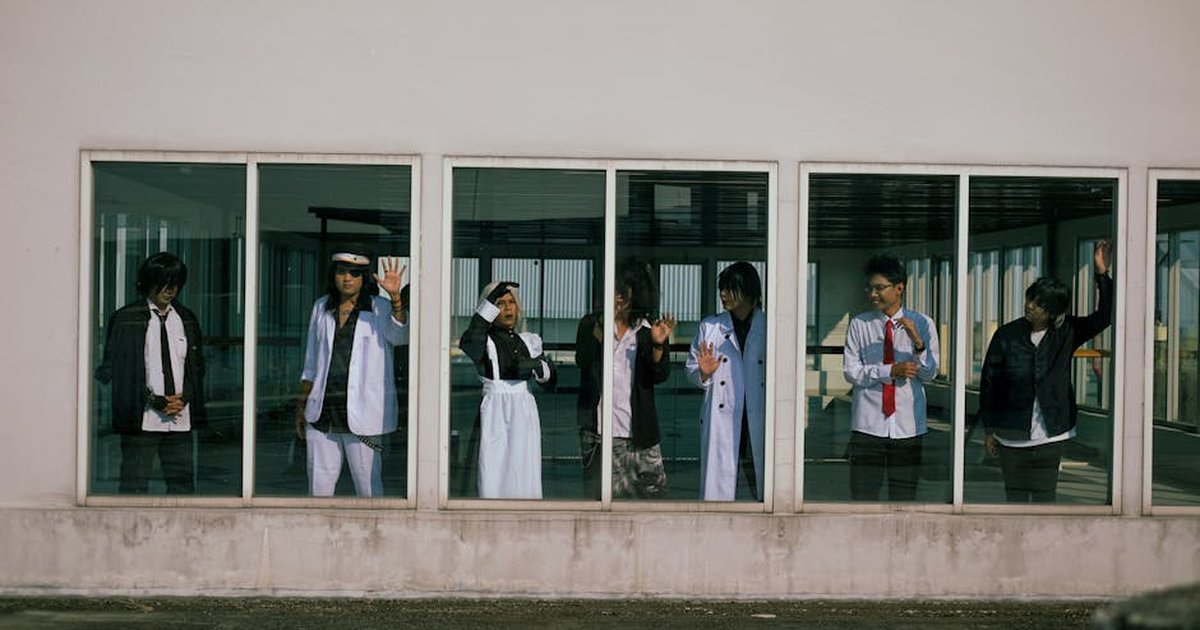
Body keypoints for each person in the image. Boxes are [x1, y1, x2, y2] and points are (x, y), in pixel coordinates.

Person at [981, 240, 1113, 503]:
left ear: (1054, 312)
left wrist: (1102, 273)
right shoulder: (1007, 334)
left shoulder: (1067, 331)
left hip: (1052, 434)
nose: (1030, 306)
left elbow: (1106, 315)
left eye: (1039, 304)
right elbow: (990, 383)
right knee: (1015, 501)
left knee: (1045, 501)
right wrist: (989, 429)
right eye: (1030, 298)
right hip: (1011, 435)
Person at [294, 252, 408, 497]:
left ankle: (372, 524)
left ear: (363, 278)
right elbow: (311, 362)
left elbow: (400, 337)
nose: (347, 278)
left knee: (368, 486)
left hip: (363, 415)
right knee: (319, 487)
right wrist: (301, 405)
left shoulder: (380, 308)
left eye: (355, 273)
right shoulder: (321, 307)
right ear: (333, 275)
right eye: (341, 272)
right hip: (323, 411)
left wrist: (396, 298)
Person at [95, 252, 206, 494]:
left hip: (179, 419)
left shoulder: (186, 319)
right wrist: (155, 401)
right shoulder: (127, 318)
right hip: (142, 420)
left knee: (182, 487)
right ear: (148, 283)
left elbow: (196, 367)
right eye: (163, 283)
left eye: (175, 283)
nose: (170, 289)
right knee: (134, 486)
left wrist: (184, 398)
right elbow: (122, 373)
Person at [842, 254, 940, 501]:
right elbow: (851, 372)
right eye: (869, 288)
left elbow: (930, 373)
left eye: (879, 288)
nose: (872, 294)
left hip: (908, 426)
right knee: (863, 497)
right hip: (868, 425)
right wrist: (889, 371)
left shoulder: (922, 323)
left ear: (899, 288)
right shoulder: (860, 324)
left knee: (904, 499)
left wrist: (918, 344)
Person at [576, 259, 676, 500]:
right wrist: (601, 331)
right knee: (602, 501)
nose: (617, 296)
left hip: (640, 434)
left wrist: (658, 345)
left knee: (652, 500)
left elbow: (660, 375)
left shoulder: (647, 329)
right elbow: (584, 361)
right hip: (600, 432)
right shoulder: (591, 324)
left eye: (623, 290)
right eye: (613, 288)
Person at [458, 281, 556, 499]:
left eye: (511, 302)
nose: (507, 308)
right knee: (492, 469)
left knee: (524, 469)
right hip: (495, 413)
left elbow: (551, 383)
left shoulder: (529, 341)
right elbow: (472, 340)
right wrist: (488, 303)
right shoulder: (483, 341)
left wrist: (540, 368)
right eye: (500, 303)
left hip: (524, 411)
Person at [686, 262, 767, 501]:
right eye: (722, 288)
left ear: (749, 292)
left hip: (758, 413)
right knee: (721, 484)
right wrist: (703, 373)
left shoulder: (768, 326)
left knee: (761, 483)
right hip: (723, 414)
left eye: (729, 289)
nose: (723, 294)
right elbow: (691, 369)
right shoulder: (710, 327)